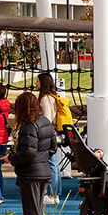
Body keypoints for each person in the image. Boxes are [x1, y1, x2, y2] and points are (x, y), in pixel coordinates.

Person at [11, 91, 57, 215]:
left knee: (32, 214)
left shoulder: (28, 126)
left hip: (30, 174)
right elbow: (53, 146)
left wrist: (12, 158)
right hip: (43, 171)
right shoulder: (45, 121)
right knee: (36, 211)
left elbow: (27, 153)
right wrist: (43, 159)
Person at [37, 72, 74, 204]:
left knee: (52, 165)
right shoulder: (54, 97)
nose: (36, 84)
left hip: (48, 134)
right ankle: (55, 194)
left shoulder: (45, 99)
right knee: (55, 165)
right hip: (55, 134)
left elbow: (46, 119)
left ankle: (52, 194)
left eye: (38, 82)